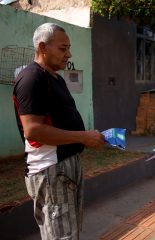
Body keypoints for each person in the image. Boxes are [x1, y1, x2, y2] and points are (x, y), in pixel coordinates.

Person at [13, 23, 105, 240]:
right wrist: (83, 137)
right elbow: (33, 130)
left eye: (68, 48)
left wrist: (86, 136)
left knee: (69, 231)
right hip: (50, 170)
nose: (69, 54)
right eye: (63, 49)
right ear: (43, 47)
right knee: (60, 235)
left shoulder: (55, 77)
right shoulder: (31, 78)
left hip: (65, 167)